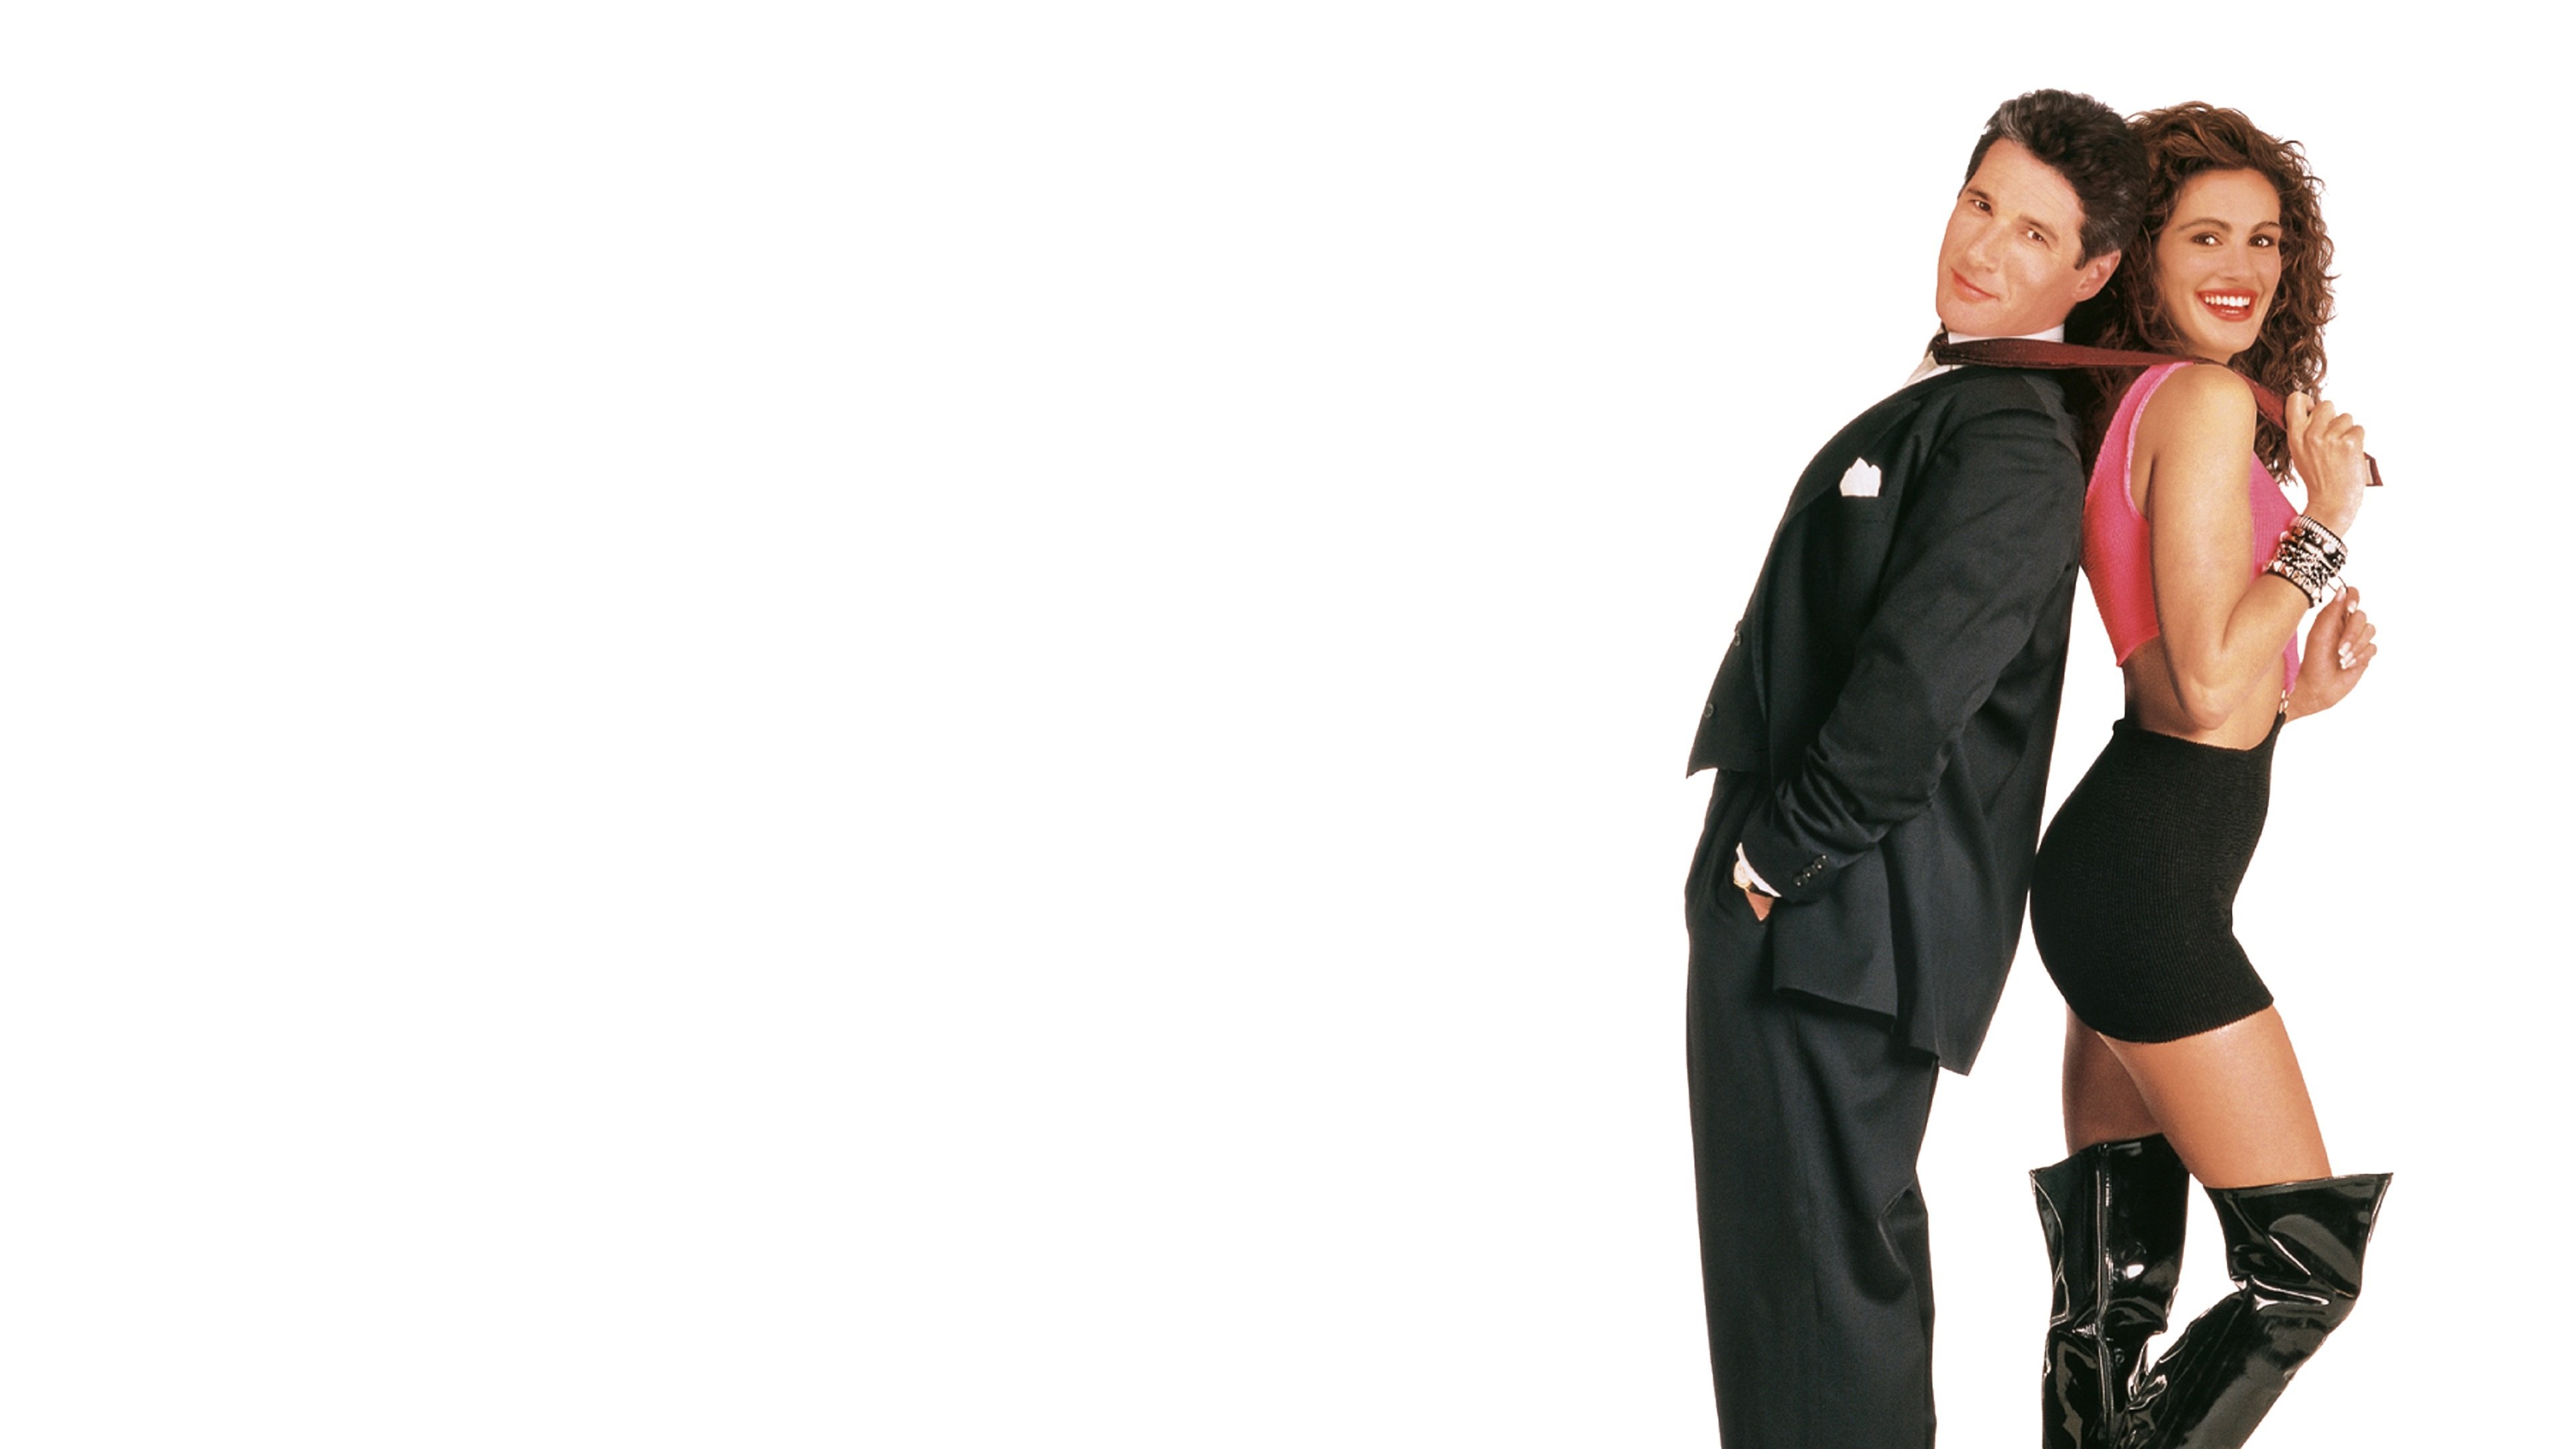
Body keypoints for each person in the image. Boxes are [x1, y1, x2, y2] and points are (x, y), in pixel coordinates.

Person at [1680, 90, 2145, 1446]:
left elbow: (1913, 694)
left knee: (1817, 1309)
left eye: (2036, 232)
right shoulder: (1970, 405)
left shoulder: (2009, 442)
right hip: (1829, 928)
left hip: (1838, 932)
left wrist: (1773, 863)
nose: (1986, 248)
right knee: (1802, 1300)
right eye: (1980, 203)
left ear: (2093, 273)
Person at [2023, 103, 2390, 1449]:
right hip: (2148, 896)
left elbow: (2202, 684)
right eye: (2205, 238)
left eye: (2267, 241)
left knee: (2109, 1308)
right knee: (2306, 1272)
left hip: (2124, 874)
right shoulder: (2202, 400)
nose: (2244, 267)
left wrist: (2296, 698)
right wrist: (2326, 526)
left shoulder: (2146, 404)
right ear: (2143, 259)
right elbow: (2197, 678)